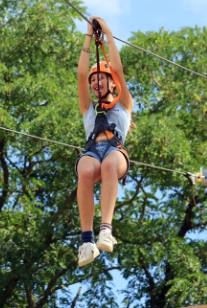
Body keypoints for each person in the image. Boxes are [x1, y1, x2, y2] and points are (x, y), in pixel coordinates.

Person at [75, 17, 134, 267]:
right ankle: (87, 241)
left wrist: (108, 34)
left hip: (114, 151)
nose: (96, 83)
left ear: (112, 83)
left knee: (110, 165)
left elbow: (118, 70)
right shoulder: (88, 107)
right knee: (85, 170)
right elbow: (80, 73)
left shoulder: (124, 104)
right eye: (93, 80)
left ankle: (106, 229)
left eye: (101, 78)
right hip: (92, 151)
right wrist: (88, 37)